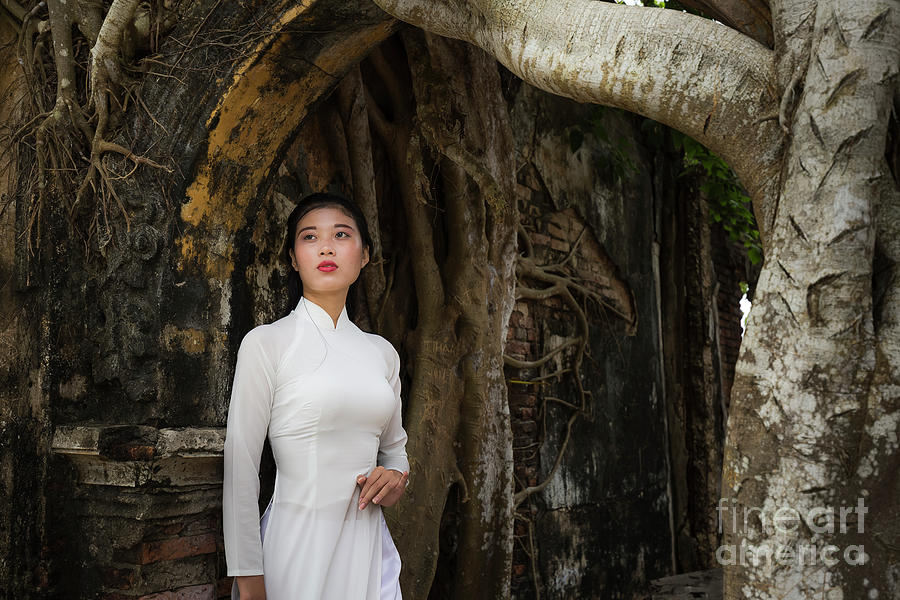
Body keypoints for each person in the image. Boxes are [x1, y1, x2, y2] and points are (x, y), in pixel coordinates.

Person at [223, 192, 411, 600]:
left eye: (341, 234)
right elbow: (240, 468)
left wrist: (395, 480)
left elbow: (395, 452)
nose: (326, 246)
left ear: (363, 256)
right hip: (296, 553)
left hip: (369, 555)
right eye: (310, 237)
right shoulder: (267, 344)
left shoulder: (382, 353)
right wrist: (249, 578)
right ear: (293, 257)